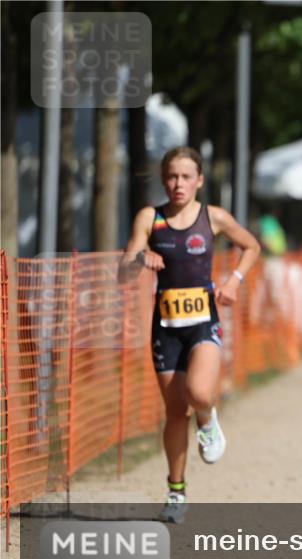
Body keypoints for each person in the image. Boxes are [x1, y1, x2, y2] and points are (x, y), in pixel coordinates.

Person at [120, 146, 261, 523]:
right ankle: (176, 491)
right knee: (174, 413)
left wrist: (234, 281)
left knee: (199, 394)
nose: (178, 184)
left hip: (203, 322)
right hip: (165, 328)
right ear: (163, 179)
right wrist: (140, 258)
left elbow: (251, 246)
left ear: (199, 180)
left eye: (185, 177)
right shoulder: (150, 218)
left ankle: (209, 420)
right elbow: (124, 267)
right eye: (171, 176)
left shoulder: (213, 217)